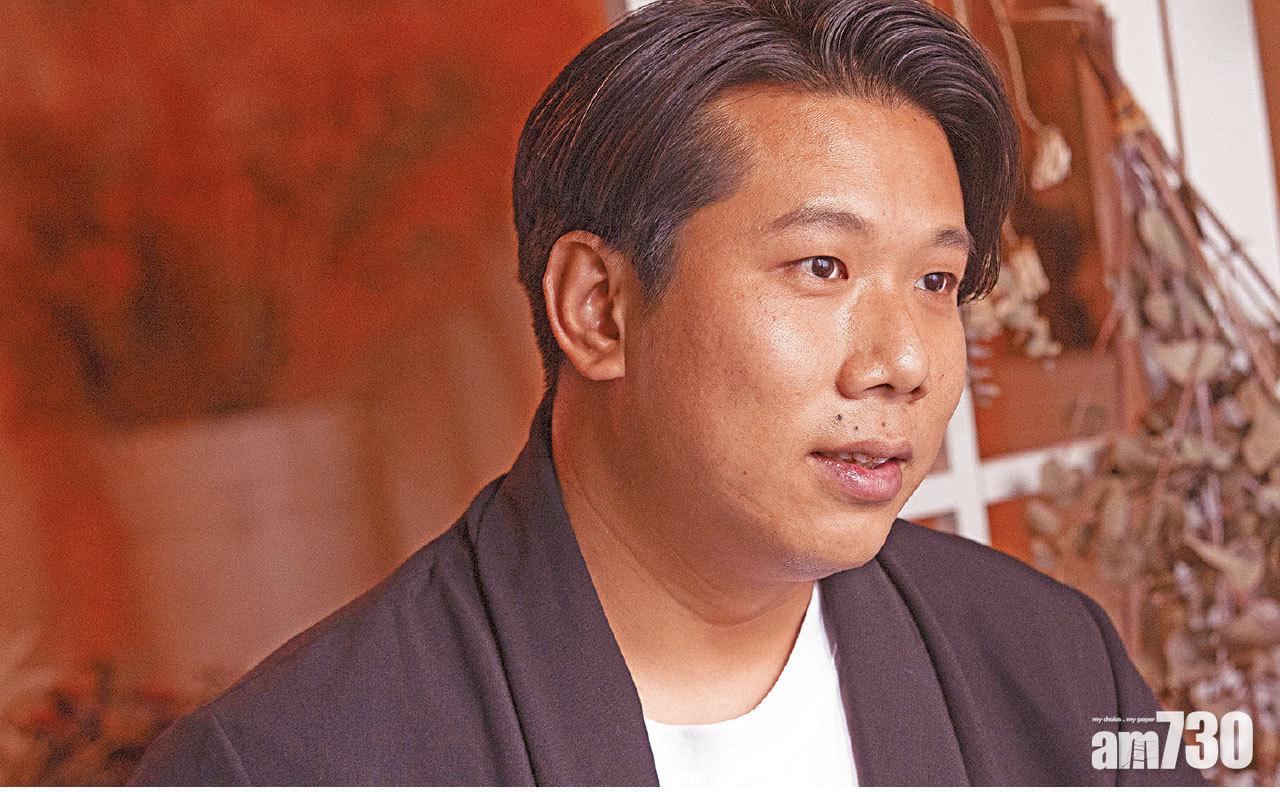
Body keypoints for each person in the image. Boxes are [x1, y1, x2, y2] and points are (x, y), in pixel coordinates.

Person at [132, 0, 1206, 785]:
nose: (903, 363)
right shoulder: (289, 760)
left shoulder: (1056, 670)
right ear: (598, 309)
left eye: (933, 282)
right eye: (822, 267)